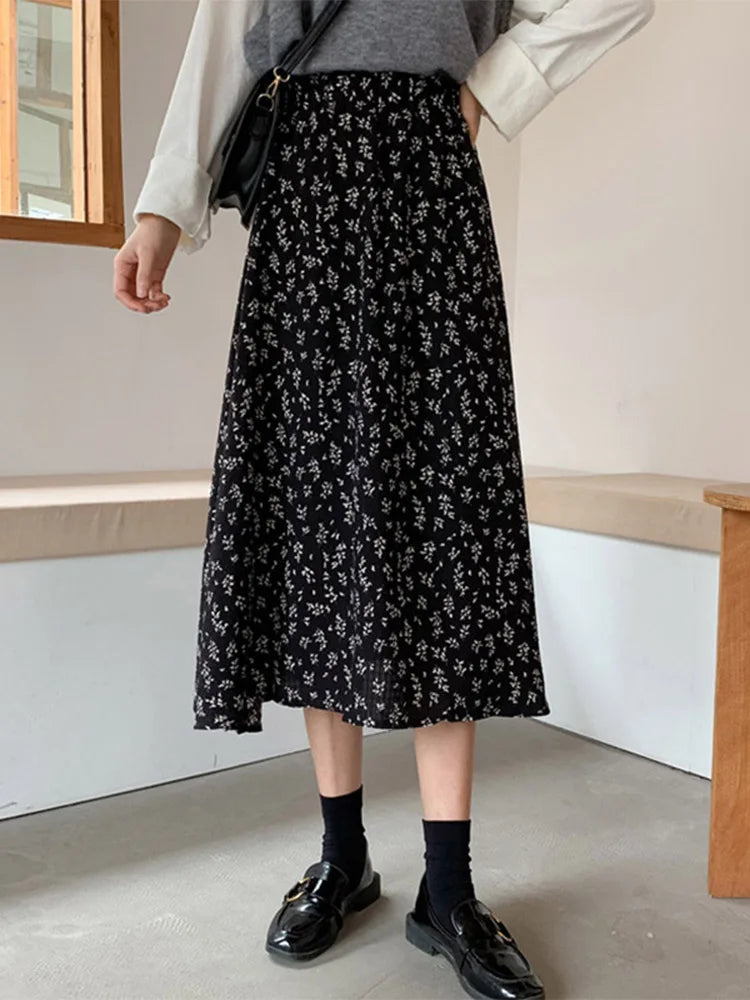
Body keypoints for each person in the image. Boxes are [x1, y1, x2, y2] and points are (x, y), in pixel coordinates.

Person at [114, 2, 655, 997]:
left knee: (447, 529)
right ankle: (343, 858)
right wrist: (162, 208)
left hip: (429, 181)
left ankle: (448, 889)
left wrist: (494, 88)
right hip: (307, 191)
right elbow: (223, 31)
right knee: (321, 531)